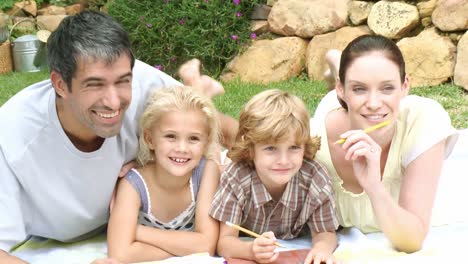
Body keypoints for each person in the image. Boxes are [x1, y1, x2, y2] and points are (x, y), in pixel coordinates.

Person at [0, 10, 223, 263]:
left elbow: (208, 120)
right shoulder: (12, 135)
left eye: (122, 81)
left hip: (131, 223)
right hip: (59, 235)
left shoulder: (144, 82)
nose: (114, 101)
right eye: (94, 84)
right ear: (60, 85)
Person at [310, 35, 458, 253]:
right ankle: (338, 65)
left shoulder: (424, 121)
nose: (374, 103)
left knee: (365, 94)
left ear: (405, 85)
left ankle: (340, 63)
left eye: (387, 88)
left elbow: (411, 240)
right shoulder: (316, 138)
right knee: (343, 101)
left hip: (359, 106)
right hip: (337, 108)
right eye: (358, 88)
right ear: (342, 89)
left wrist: (373, 186)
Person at [210, 89, 339, 264]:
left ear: (304, 146)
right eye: (271, 148)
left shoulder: (315, 177)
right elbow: (224, 242)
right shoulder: (236, 177)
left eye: (294, 148)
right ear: (251, 149)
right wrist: (251, 250)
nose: (283, 161)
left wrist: (321, 249)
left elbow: (325, 232)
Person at [106, 86, 220, 262]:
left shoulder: (206, 172)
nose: (182, 148)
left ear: (206, 143)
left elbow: (206, 245)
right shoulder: (133, 184)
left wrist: (137, 231)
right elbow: (120, 254)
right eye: (171, 136)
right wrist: (186, 248)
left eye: (194, 138)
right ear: (150, 139)